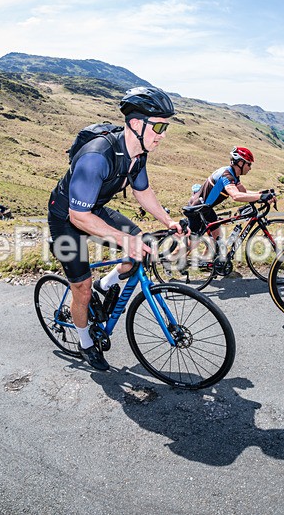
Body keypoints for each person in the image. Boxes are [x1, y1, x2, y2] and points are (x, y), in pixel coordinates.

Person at [47, 86, 184, 371]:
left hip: (93, 209)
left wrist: (167, 222)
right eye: (158, 126)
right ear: (136, 123)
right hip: (67, 217)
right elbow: (78, 216)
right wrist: (124, 240)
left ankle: (106, 283)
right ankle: (85, 343)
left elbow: (143, 191)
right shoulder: (96, 156)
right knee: (82, 290)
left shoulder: (138, 153)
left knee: (139, 244)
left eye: (165, 128)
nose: (162, 134)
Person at [187, 146, 276, 241]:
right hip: (197, 209)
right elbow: (236, 196)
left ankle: (212, 256)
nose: (250, 168)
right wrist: (261, 196)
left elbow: (243, 192)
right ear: (241, 163)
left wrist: (262, 193)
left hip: (207, 210)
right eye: (249, 164)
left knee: (218, 243)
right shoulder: (226, 176)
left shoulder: (233, 175)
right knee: (190, 245)